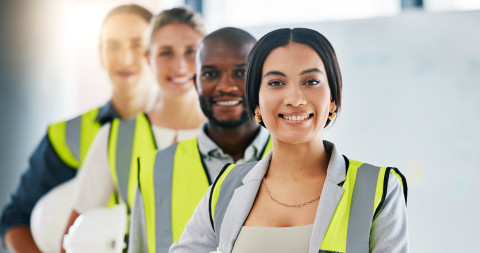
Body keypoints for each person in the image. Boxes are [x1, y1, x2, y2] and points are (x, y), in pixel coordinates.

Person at [170, 28, 408, 253]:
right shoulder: (226, 187)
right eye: (276, 83)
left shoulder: (378, 188)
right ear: (256, 104)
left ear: (333, 99)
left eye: (311, 81)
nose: (295, 98)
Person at [0, 4, 154, 253]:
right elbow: (15, 218)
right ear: (100, 55)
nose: (125, 57)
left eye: (137, 44)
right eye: (112, 45)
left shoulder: (186, 131)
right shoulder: (67, 136)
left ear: (157, 51)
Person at [60, 7, 207, 252]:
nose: (179, 65)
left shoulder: (234, 138)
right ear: (148, 58)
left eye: (191, 52)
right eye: (166, 52)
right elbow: (72, 240)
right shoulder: (115, 138)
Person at [128, 27, 272, 253]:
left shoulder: (298, 161)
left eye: (240, 73)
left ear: (262, 80)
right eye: (211, 74)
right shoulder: (156, 169)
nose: (226, 86)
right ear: (196, 82)